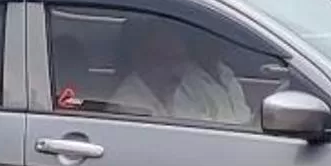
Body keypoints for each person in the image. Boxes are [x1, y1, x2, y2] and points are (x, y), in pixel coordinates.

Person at [95, 19, 253, 127]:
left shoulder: (183, 82)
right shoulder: (128, 102)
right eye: (166, 59)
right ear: (144, 59)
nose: (176, 69)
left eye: (179, 60)